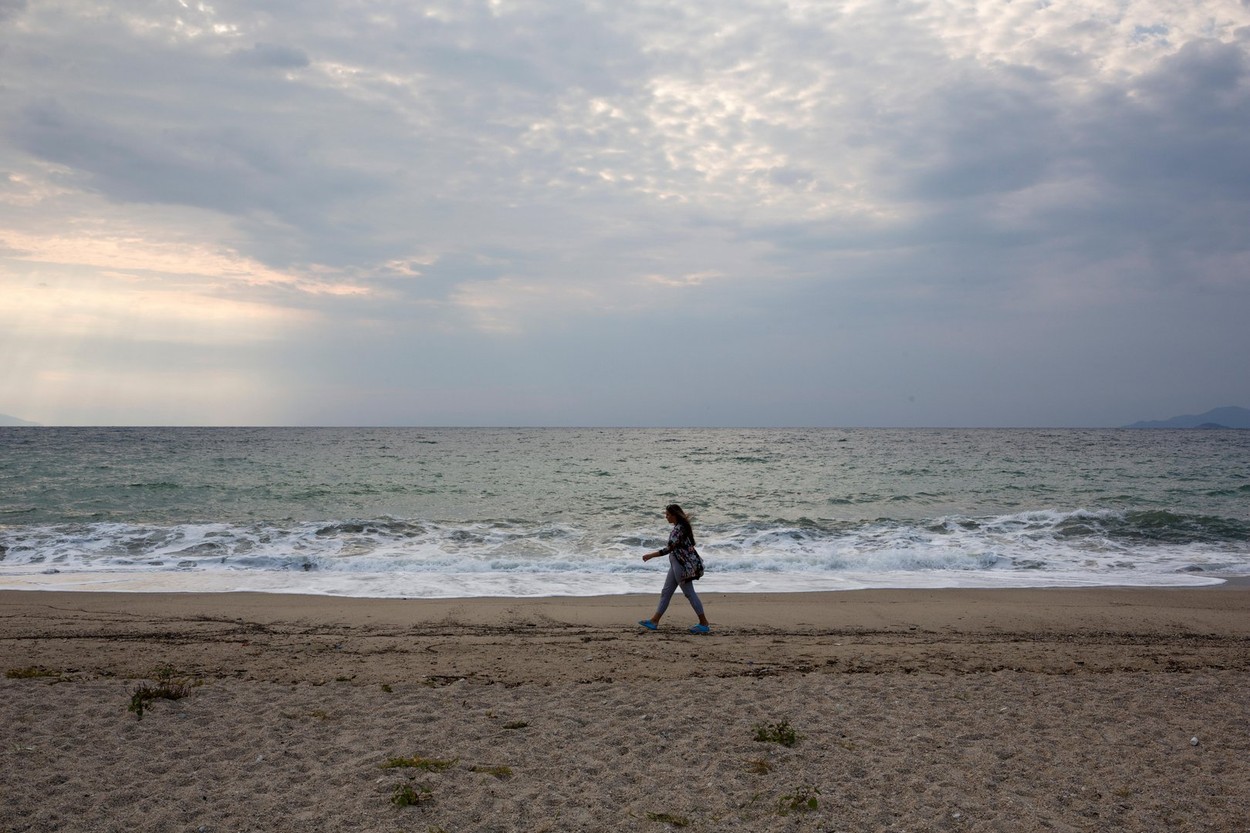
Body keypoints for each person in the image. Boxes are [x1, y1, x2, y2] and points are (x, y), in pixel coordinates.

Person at [639, 504, 711, 634]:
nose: (666, 517)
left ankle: (704, 623)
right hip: (676, 563)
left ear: (674, 515)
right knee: (666, 592)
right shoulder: (680, 528)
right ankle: (654, 621)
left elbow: (669, 549)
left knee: (689, 593)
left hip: (681, 565)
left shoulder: (679, 529)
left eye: (667, 515)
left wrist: (650, 555)